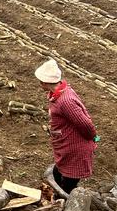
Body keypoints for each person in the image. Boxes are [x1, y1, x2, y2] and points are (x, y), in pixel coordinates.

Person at [35, 58, 98, 194]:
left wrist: (94, 137)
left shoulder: (66, 101)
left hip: (75, 147)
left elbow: (85, 124)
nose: (39, 84)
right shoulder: (58, 94)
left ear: (45, 82)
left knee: (68, 182)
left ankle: (65, 203)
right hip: (67, 143)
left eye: (40, 81)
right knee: (59, 172)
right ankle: (56, 194)